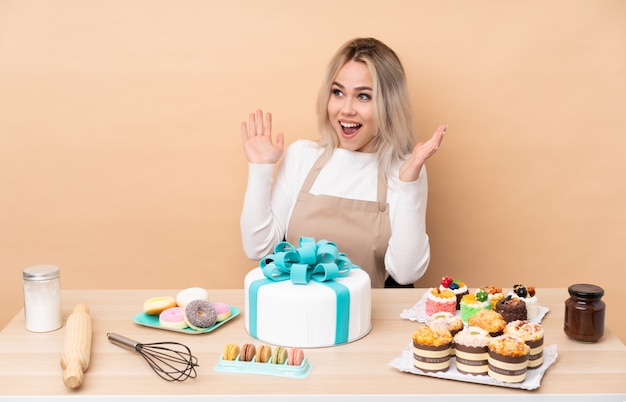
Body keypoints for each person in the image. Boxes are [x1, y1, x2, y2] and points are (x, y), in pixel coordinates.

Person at [240, 37, 446, 288]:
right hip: (298, 314)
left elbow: (406, 274)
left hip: (370, 321)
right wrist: (260, 169)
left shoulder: (404, 169)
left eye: (363, 96)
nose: (346, 110)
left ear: (388, 104)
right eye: (338, 93)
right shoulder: (301, 156)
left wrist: (409, 182)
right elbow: (258, 249)